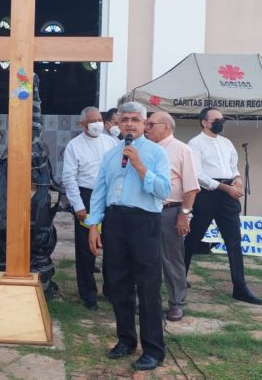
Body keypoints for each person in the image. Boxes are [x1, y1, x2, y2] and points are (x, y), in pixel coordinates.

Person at [85, 101, 170, 371]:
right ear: (118, 124)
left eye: (135, 119)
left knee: (147, 286)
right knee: (118, 284)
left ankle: (153, 349)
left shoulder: (157, 153)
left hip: (144, 221)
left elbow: (163, 190)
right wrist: (93, 225)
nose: (130, 124)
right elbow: (99, 191)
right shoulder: (111, 155)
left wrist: (139, 165)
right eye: (125, 120)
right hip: (115, 221)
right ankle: (125, 340)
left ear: (145, 124)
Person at [185, 107, 262, 306]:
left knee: (234, 241)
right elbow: (198, 174)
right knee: (193, 237)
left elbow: (233, 167)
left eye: (222, 119)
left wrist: (237, 180)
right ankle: (179, 277)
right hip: (208, 194)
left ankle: (240, 287)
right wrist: (224, 188)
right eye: (216, 119)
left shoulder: (226, 143)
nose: (221, 122)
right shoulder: (195, 143)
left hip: (228, 193)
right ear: (204, 122)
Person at [143, 111, 199, 321]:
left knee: (171, 259)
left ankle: (176, 302)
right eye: (146, 124)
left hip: (170, 210)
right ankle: (150, 300)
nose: (146, 128)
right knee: (148, 258)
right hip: (146, 210)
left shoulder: (182, 150)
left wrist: (184, 214)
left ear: (166, 126)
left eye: (151, 124)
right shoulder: (146, 149)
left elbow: (191, 187)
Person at [62, 106, 117, 310]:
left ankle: (111, 289)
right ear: (82, 124)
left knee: (112, 245)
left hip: (110, 196)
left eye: (99, 120)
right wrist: (78, 205)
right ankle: (88, 293)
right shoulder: (74, 146)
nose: (97, 124)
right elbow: (69, 177)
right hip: (86, 196)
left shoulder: (111, 142)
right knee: (86, 249)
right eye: (92, 121)